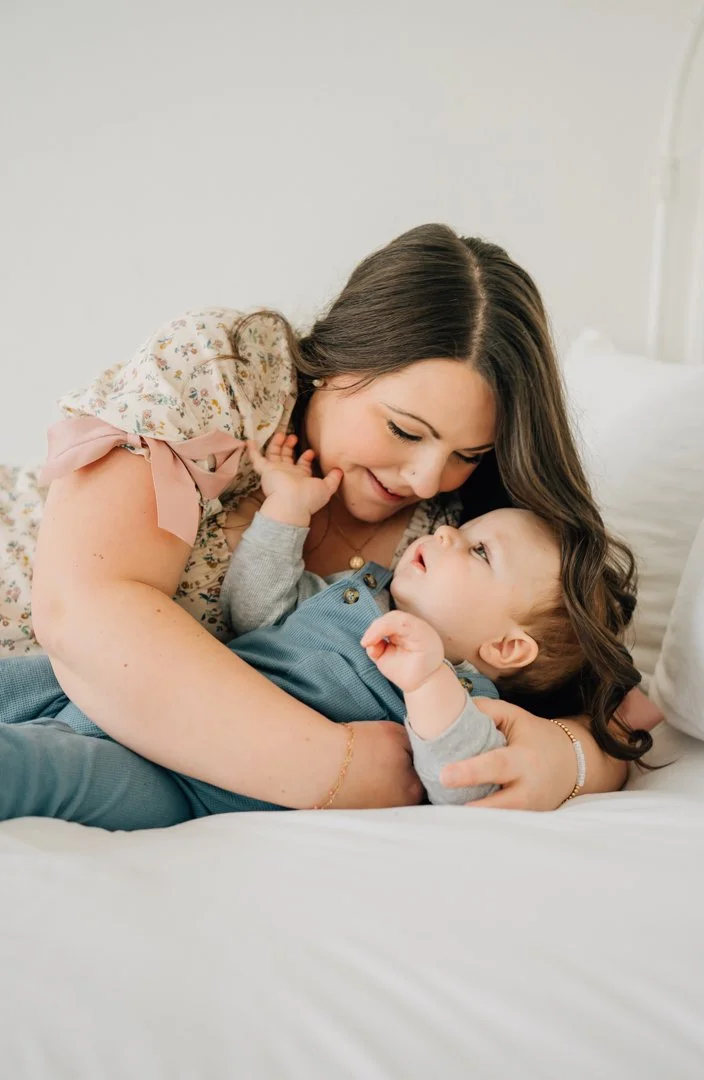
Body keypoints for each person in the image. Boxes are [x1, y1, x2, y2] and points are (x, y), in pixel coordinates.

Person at [2, 223, 659, 813]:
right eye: (404, 429)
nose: (428, 479)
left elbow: (603, 703)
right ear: (337, 361)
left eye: (469, 453)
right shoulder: (232, 375)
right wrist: (333, 767)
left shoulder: (454, 543)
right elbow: (86, 614)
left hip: (116, 745)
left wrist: (569, 757)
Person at [0, 433, 648, 828]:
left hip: (190, 787)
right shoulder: (360, 591)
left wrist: (425, 681)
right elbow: (252, 613)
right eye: (465, 531)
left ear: (507, 647)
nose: (448, 532)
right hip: (145, 703)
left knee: (47, 770)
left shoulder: (462, 691)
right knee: (31, 678)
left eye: (478, 553)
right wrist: (286, 514)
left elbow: (466, 779)